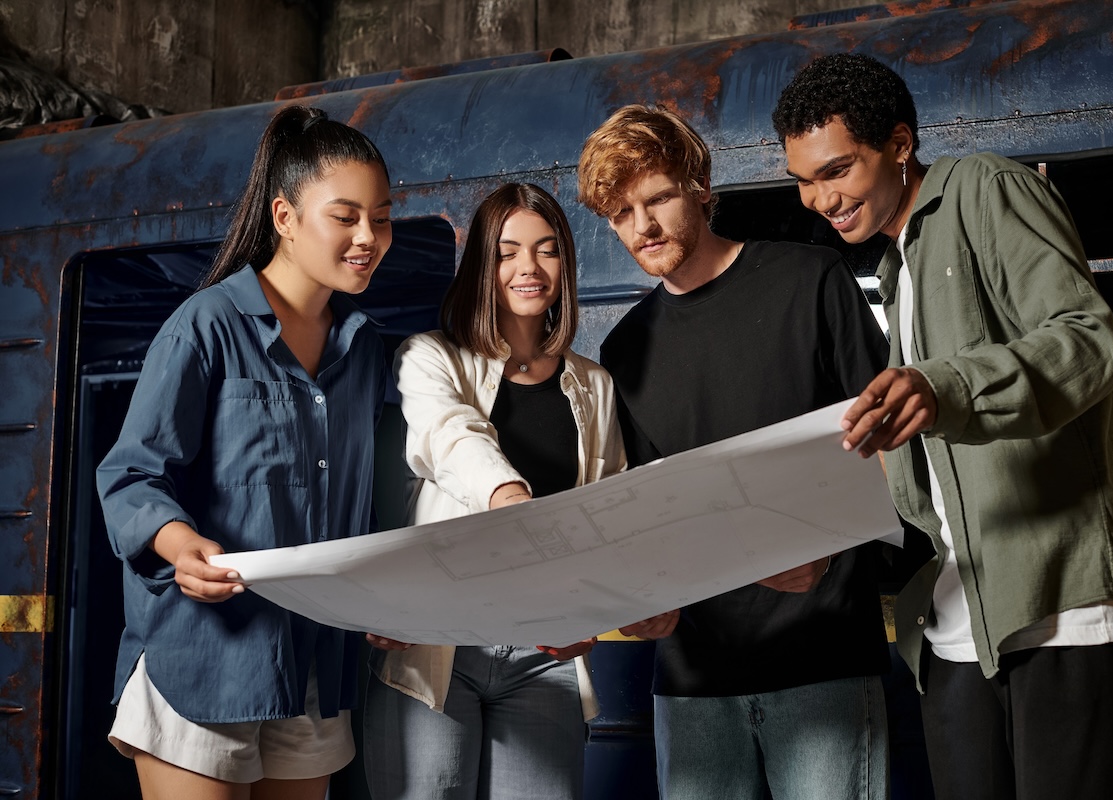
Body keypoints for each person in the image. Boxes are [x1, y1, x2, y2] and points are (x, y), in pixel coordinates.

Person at [772, 52, 1113, 800]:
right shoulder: (896, 270)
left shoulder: (984, 189)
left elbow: (1089, 340)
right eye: (804, 180)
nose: (819, 199)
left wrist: (943, 385)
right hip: (961, 626)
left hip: (1068, 609)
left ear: (900, 144)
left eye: (837, 171)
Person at [577, 104, 892, 800]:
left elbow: (891, 448)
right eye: (622, 214)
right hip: (691, 680)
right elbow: (643, 508)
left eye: (657, 198)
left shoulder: (810, 281)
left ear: (699, 186)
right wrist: (639, 595)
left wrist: (832, 551)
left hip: (823, 659)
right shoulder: (624, 348)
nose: (644, 227)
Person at [95, 105, 394, 798]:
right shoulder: (205, 328)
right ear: (285, 218)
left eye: (380, 217)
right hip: (204, 655)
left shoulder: (366, 348)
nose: (368, 237)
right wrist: (177, 545)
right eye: (344, 216)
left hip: (314, 660)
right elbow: (131, 476)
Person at [362, 182, 626, 800]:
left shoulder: (596, 385)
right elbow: (453, 436)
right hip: (438, 639)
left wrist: (593, 615)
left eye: (547, 249)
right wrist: (511, 499)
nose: (529, 268)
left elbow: (608, 515)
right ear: (481, 266)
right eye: (506, 252)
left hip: (545, 652)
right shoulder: (429, 358)